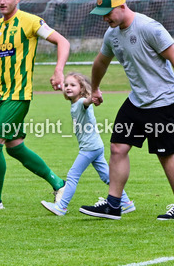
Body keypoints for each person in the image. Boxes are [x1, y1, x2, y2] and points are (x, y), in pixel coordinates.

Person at [79, 0, 174, 220]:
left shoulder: (149, 27)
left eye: (108, 13)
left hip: (164, 101)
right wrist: (95, 88)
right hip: (137, 101)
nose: (105, 18)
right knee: (118, 147)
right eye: (102, 14)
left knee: (165, 153)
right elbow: (100, 62)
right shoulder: (112, 35)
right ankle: (114, 204)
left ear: (121, 6)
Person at [0, 0, 70, 211]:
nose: (2, 1)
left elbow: (62, 41)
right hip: (2, 96)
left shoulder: (30, 21)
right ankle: (59, 184)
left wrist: (58, 70)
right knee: (14, 146)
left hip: (19, 95)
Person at [40, 72, 135, 216]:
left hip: (90, 148)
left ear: (82, 88)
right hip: (95, 146)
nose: (68, 87)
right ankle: (126, 203)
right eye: (66, 85)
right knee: (107, 176)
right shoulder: (75, 102)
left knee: (72, 175)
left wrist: (93, 97)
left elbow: (86, 102)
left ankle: (61, 207)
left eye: (73, 85)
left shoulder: (80, 103)